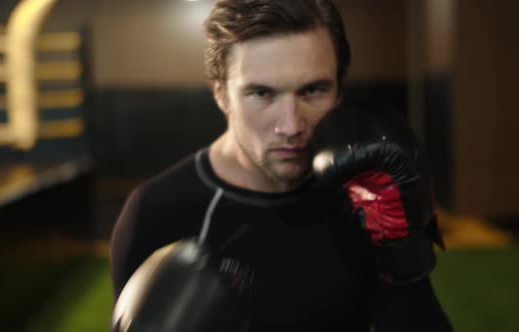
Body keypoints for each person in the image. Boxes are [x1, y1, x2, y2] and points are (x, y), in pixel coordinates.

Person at [110, 0, 452, 331]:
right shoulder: (155, 214)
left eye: (313, 90)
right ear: (221, 94)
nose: (291, 126)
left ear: (339, 89)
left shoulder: (365, 195)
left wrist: (404, 252)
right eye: (262, 93)